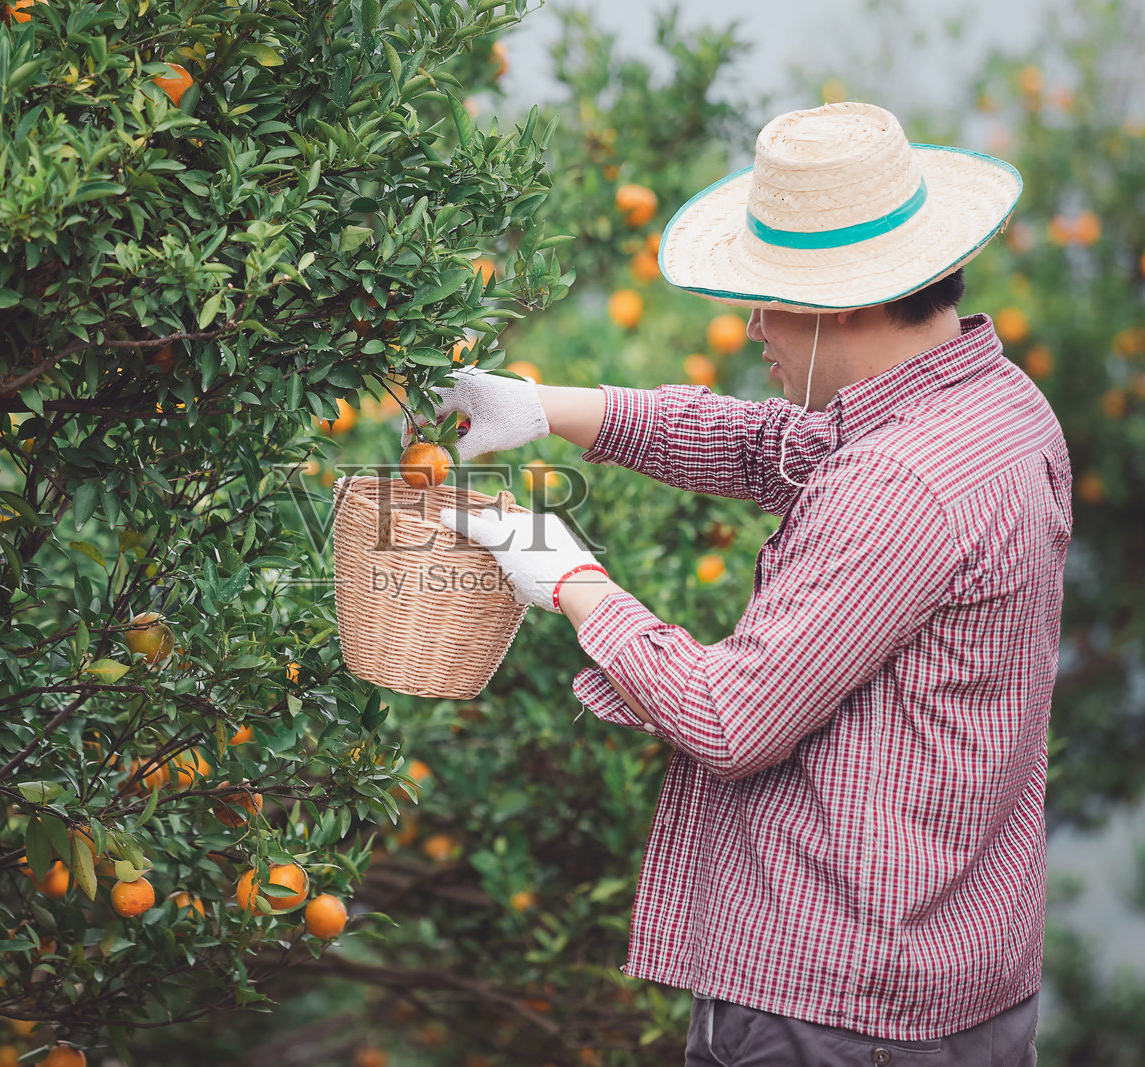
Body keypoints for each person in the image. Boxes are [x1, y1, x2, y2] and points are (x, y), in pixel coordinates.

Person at [426, 102, 1071, 1065]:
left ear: (841, 302)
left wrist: (569, 577)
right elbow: (772, 445)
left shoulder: (898, 483)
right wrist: (542, 408)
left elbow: (732, 719)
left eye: (768, 297)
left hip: (841, 1010)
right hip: (956, 981)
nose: (754, 325)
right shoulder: (994, 405)